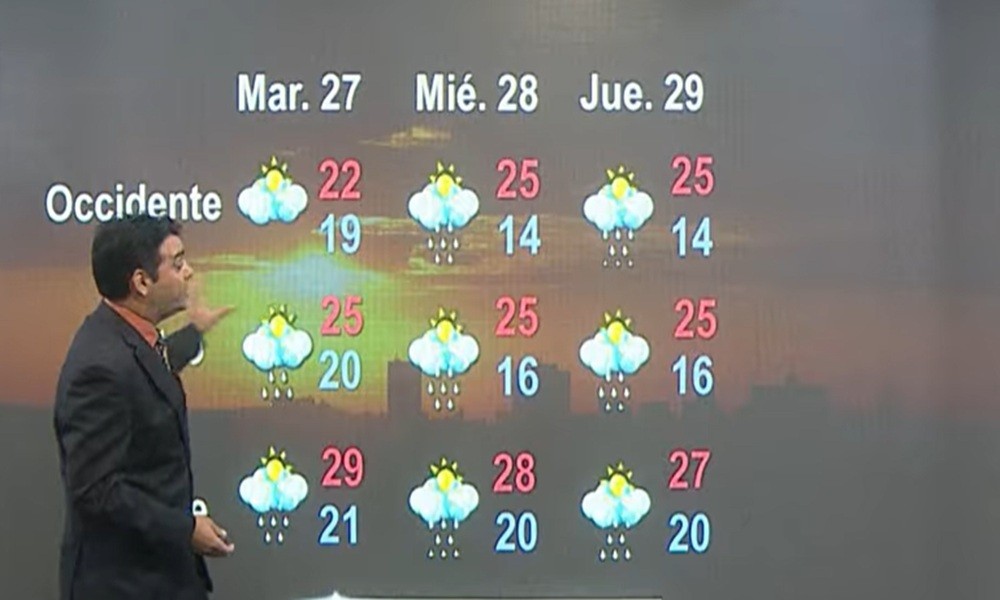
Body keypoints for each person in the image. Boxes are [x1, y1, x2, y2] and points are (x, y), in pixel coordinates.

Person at [53, 213, 235, 599]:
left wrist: (195, 332)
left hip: (156, 577)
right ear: (141, 282)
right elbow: (96, 491)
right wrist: (185, 529)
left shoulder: (122, 337)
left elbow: (149, 371)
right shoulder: (99, 368)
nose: (189, 272)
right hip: (126, 585)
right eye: (178, 263)